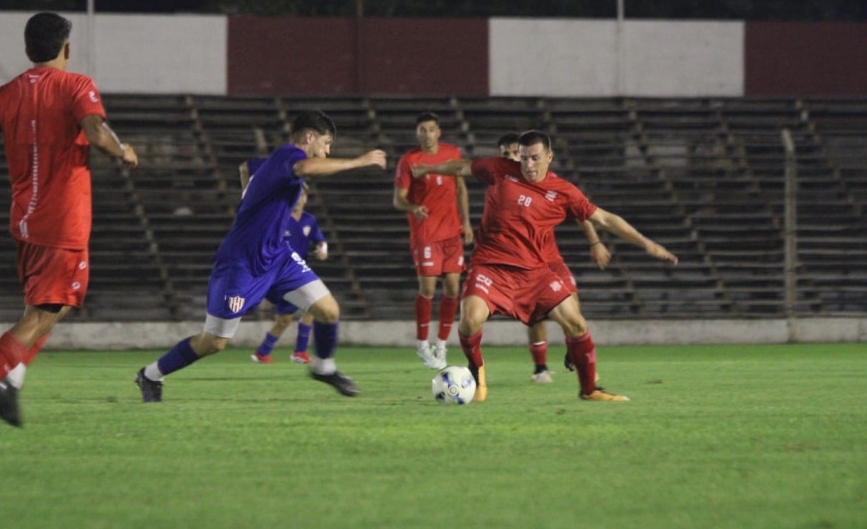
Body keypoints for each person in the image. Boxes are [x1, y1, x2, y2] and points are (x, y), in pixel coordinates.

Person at [134, 110, 386, 402]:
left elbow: (246, 167)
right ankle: (150, 374)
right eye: (326, 143)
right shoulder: (287, 156)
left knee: (329, 311)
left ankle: (324, 368)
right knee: (214, 342)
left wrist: (250, 198)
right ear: (309, 137)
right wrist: (358, 161)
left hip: (278, 256)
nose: (327, 151)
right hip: (241, 263)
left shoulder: (274, 165)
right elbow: (305, 167)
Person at [0, 12, 139, 433]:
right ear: (66, 48)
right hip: (63, 223)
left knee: (49, 307)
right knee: (43, 314)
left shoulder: (3, 95)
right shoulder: (76, 85)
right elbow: (97, 133)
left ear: (28, 50)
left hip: (24, 223)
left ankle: (12, 380)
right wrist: (124, 152)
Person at [413, 130, 678, 403]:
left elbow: (605, 219)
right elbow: (461, 166)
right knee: (469, 319)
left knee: (575, 322)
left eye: (535, 158)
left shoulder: (563, 191)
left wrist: (646, 244)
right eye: (524, 158)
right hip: (491, 266)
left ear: (549, 157)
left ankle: (589, 390)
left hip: (534, 273)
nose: (528, 164)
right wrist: (428, 169)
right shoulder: (501, 169)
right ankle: (477, 373)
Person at [496, 134, 611, 384]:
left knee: (573, 301)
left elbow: (580, 212)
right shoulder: (501, 184)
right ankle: (540, 367)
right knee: (536, 315)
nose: (511, 158)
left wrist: (595, 242)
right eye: (505, 155)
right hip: (523, 264)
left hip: (550, 258)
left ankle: (575, 350)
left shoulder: (549, 182)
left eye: (515, 153)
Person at [393, 112, 474, 370]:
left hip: (452, 232)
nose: (427, 134)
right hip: (426, 233)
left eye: (431, 129)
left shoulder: (452, 153)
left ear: (438, 132)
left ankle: (441, 344)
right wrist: (413, 208)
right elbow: (398, 199)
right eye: (422, 130)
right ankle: (421, 344)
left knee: (453, 289)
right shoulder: (410, 161)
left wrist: (467, 223)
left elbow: (461, 189)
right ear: (417, 133)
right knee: (427, 290)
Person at [242, 176, 328, 365]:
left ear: (306, 198)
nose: (299, 198)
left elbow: (320, 240)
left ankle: (262, 353)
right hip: (279, 275)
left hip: (295, 275)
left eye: (302, 195)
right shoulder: (279, 219)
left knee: (285, 319)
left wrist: (322, 249)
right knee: (311, 306)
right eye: (296, 195)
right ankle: (299, 352)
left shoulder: (309, 220)